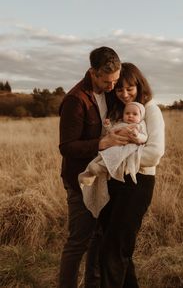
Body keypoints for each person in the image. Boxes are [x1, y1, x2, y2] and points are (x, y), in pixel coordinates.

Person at [58, 46, 128, 288]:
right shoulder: (75, 100)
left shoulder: (110, 94)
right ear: (92, 73)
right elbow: (67, 147)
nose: (112, 86)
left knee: (99, 238)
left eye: (116, 80)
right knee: (78, 242)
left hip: (103, 178)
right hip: (80, 180)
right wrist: (102, 143)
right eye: (107, 81)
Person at [98, 62, 165, 288]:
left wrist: (117, 159)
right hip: (113, 183)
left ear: (139, 85)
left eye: (130, 88)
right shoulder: (116, 111)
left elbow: (154, 153)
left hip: (138, 183)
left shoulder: (151, 109)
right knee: (119, 249)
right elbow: (105, 144)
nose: (125, 94)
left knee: (113, 251)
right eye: (119, 89)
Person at [78, 101, 148, 218]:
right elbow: (111, 131)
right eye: (127, 113)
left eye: (134, 114)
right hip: (114, 146)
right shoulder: (120, 123)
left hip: (126, 148)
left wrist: (136, 135)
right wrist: (107, 126)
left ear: (141, 116)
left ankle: (99, 169)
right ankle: (89, 173)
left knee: (114, 155)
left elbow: (144, 137)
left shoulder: (139, 126)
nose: (130, 116)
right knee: (102, 155)